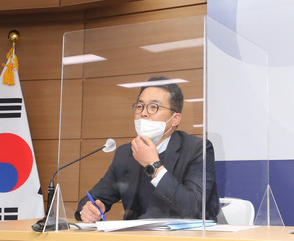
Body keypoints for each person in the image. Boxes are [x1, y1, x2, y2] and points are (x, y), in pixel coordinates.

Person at [75, 76, 221, 222]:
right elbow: (94, 198)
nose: (143, 113)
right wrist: (88, 209)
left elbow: (194, 207)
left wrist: (153, 166)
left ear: (175, 119)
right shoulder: (125, 153)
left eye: (153, 107)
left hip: (187, 239)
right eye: (140, 106)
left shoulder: (197, 149)